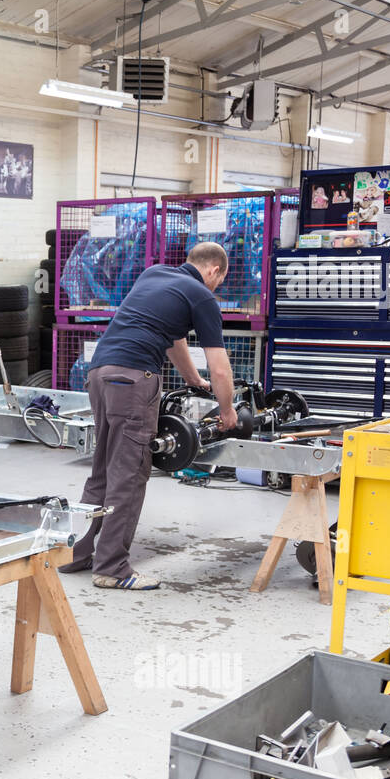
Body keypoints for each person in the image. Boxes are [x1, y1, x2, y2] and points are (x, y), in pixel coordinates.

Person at [61, 241, 237, 591]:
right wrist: (228, 409)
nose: (216, 287)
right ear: (214, 270)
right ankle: (112, 568)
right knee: (129, 471)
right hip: (134, 379)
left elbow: (173, 341)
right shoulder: (202, 296)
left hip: (99, 373)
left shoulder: (155, 274)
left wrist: (191, 380)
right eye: (220, 280)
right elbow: (219, 368)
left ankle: (77, 554)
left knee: (104, 468)